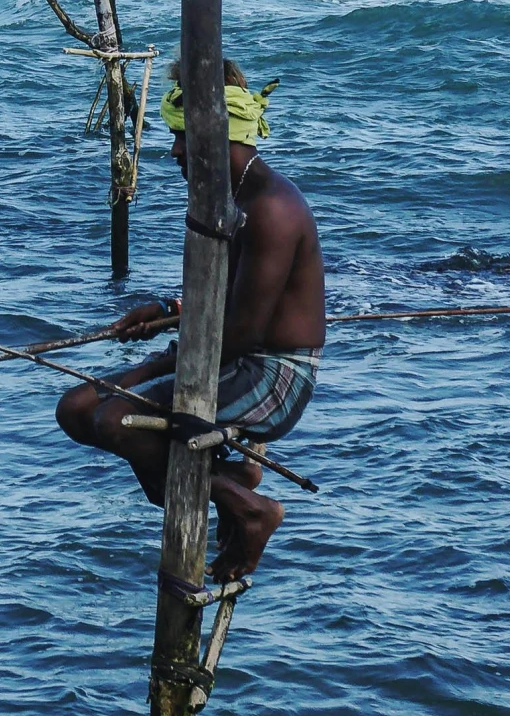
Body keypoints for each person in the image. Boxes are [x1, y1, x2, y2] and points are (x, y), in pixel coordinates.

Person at [56, 60, 325, 580]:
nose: (176, 152)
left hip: (271, 374)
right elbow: (220, 299)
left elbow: (243, 333)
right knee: (77, 407)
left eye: (182, 137)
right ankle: (231, 483)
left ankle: (249, 509)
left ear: (219, 134)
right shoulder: (225, 199)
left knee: (116, 419)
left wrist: (159, 363)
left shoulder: (270, 208)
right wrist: (168, 312)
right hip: (219, 351)